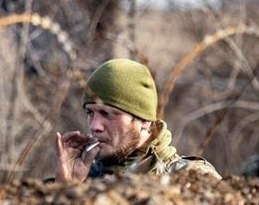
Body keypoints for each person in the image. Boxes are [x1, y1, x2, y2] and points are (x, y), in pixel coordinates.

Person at [54, 58, 221, 182]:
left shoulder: (189, 179)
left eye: (107, 113)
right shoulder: (84, 176)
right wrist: (67, 188)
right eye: (90, 113)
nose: (94, 126)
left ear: (145, 121)